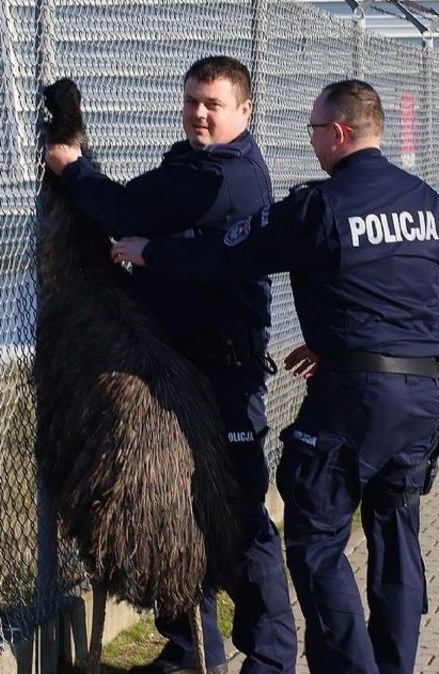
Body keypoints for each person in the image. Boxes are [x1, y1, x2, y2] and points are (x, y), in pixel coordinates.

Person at [110, 79, 439, 674]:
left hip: (353, 404)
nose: (313, 142)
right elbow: (410, 293)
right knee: (397, 542)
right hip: (421, 394)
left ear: (340, 133)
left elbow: (227, 255)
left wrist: (149, 252)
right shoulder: (428, 203)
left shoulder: (319, 206)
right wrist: (339, 344)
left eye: (316, 131)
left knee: (318, 545)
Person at [44, 55, 296, 674]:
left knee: (235, 505)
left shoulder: (222, 176)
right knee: (177, 501)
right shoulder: (192, 163)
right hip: (179, 354)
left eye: (213, 103)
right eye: (192, 101)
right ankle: (190, 650)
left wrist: (76, 170)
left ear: (245, 110)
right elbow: (137, 210)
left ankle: (271, 654)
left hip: (222, 366)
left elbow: (128, 211)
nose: (200, 113)